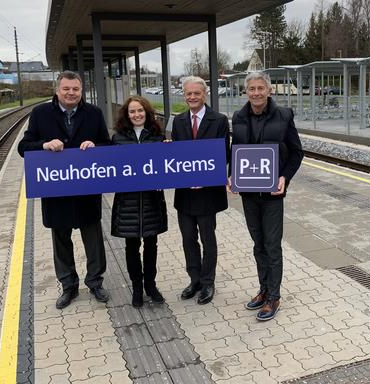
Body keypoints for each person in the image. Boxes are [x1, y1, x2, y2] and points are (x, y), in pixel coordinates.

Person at [18, 70, 111, 309]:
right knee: (61, 240)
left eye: (75, 89)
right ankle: (69, 286)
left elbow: (108, 146)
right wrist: (44, 145)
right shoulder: (40, 113)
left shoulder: (94, 113)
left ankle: (95, 282)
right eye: (66, 89)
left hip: (87, 190)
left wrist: (96, 146)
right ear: (57, 90)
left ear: (81, 91)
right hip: (56, 191)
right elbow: (24, 146)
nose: (71, 93)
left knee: (93, 240)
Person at [231, 71, 303, 321]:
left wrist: (285, 177)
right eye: (251, 89)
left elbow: (296, 153)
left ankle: (274, 296)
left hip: (272, 194)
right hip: (249, 194)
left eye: (261, 88)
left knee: (272, 246)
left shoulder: (283, 116)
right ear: (246, 91)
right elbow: (235, 152)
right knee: (258, 244)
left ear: (269, 90)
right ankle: (263, 289)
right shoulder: (238, 117)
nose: (256, 93)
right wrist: (232, 175)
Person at [171, 76, 230, 305]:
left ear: (204, 94)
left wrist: (204, 178)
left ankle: (207, 282)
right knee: (188, 239)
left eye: (197, 93)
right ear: (184, 95)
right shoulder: (178, 121)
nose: (192, 97)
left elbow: (223, 154)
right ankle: (194, 280)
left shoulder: (219, 120)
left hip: (208, 192)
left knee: (208, 238)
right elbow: (176, 154)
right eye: (188, 94)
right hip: (185, 192)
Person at [111, 96, 168, 308]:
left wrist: (169, 150)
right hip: (128, 203)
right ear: (127, 115)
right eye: (132, 112)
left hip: (152, 201)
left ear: (147, 113)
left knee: (152, 244)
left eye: (140, 111)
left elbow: (167, 166)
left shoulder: (157, 137)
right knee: (131, 245)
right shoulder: (117, 139)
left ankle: (151, 285)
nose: (137, 115)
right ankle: (137, 287)